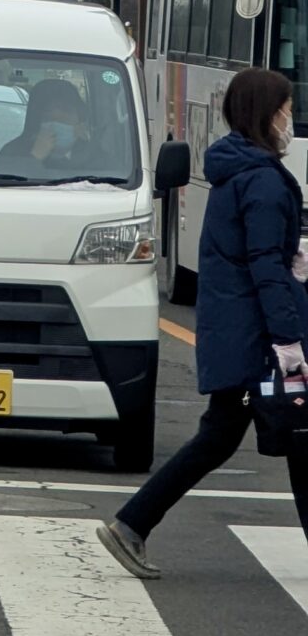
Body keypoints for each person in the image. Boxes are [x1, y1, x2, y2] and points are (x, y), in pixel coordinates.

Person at [98, 66, 308, 580]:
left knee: (234, 437)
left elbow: (249, 253)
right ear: (267, 115)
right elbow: (262, 265)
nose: (290, 120)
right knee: (296, 434)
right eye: (286, 110)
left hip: (237, 332)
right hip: (257, 339)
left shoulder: (235, 170)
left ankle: (132, 523)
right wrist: (287, 339)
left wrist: (292, 259)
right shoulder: (262, 180)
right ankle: (130, 524)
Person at [3, 78, 92, 167]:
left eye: (64, 118)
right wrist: (35, 157)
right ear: (36, 121)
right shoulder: (12, 152)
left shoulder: (92, 154)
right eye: (49, 118)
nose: (57, 126)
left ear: (80, 119)